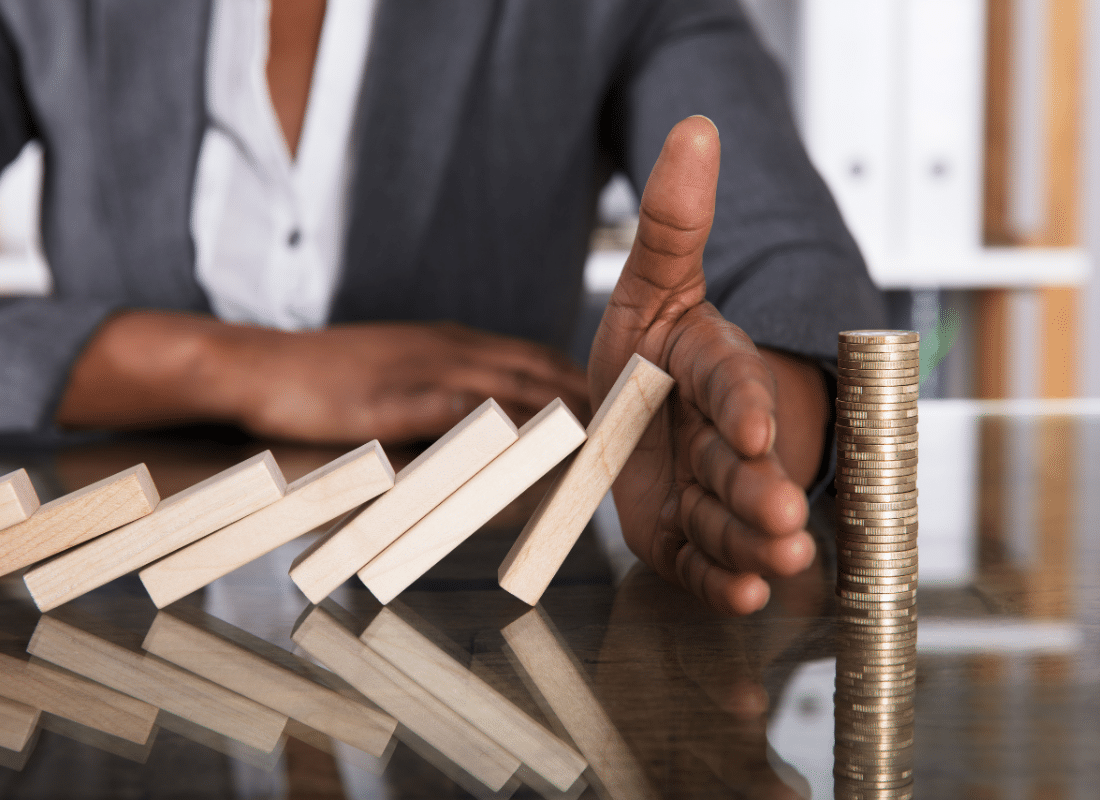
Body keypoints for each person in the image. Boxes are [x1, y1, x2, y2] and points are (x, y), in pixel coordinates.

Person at [0, 0, 886, 614]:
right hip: (109, 601)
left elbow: (794, 259)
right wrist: (223, 364)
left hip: (470, 604)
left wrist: (753, 423)